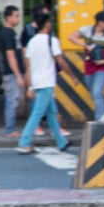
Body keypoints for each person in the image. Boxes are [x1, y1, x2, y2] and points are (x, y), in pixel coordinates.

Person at [17, 12, 72, 154]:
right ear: (47, 25)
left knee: (51, 112)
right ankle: (24, 142)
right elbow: (59, 60)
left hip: (36, 82)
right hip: (47, 82)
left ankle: (61, 142)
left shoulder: (32, 42)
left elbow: (28, 67)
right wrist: (72, 75)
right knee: (37, 114)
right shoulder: (51, 41)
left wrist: (30, 86)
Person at [68, 11, 104, 121]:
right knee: (93, 92)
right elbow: (71, 37)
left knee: (97, 92)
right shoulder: (87, 30)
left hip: (103, 67)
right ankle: (101, 115)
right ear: (100, 22)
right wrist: (86, 46)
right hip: (89, 67)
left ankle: (100, 119)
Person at [0, 5, 26, 137]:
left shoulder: (11, 33)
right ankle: (10, 129)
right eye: (16, 16)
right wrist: (18, 75)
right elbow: (11, 56)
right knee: (12, 100)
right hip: (11, 73)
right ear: (8, 18)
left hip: (14, 72)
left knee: (14, 99)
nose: (18, 18)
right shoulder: (7, 34)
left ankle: (11, 128)